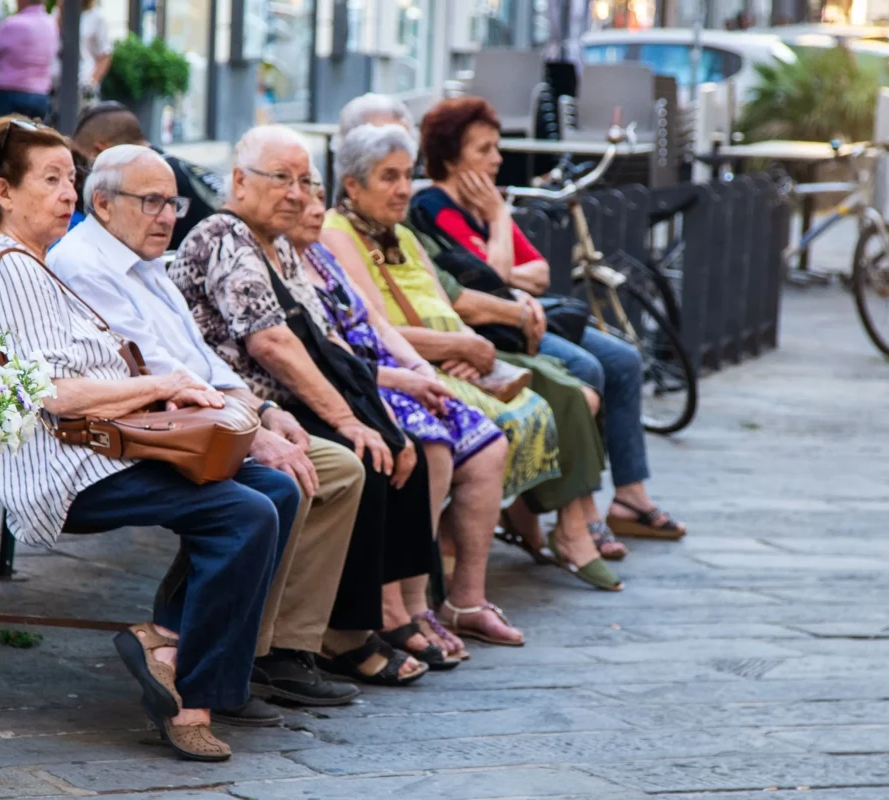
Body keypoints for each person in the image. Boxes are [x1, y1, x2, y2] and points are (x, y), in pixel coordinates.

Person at [0, 116, 300, 761]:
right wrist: (162, 384)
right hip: (68, 468)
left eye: (71, 178)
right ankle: (191, 700)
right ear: (5, 192)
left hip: (108, 446)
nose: (68, 195)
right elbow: (53, 395)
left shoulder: (34, 263)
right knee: (243, 513)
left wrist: (170, 389)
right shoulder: (12, 267)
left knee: (272, 490)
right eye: (51, 180)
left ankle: (167, 642)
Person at [48, 144, 367, 723]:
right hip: (130, 437)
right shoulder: (86, 265)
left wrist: (264, 414)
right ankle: (212, 664)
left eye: (173, 201)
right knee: (270, 492)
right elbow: (156, 375)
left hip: (192, 421)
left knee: (314, 475)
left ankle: (236, 651)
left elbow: (200, 362)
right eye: (152, 202)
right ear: (102, 201)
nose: (168, 215)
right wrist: (252, 431)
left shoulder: (143, 260)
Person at [169, 125, 436, 684]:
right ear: (240, 180)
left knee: (395, 446)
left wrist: (374, 416)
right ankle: (336, 634)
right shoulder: (223, 234)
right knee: (358, 457)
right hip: (238, 408)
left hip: (281, 405)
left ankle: (373, 617)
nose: (296, 193)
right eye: (282, 179)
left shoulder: (282, 245)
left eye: (305, 181)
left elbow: (323, 337)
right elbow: (271, 343)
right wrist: (346, 420)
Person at [321, 123, 622, 592]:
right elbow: (378, 330)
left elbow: (449, 300)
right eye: (389, 177)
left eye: (407, 174)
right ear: (352, 185)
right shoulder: (337, 232)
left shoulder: (400, 232)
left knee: (563, 393)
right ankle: (457, 571)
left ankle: (496, 564)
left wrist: (470, 349)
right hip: (410, 366)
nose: (403, 188)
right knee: (537, 407)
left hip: (456, 354)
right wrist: (459, 348)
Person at [412, 96, 686, 544]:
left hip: (525, 316)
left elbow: (538, 271)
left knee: (623, 360)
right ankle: (573, 511)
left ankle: (630, 496)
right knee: (585, 369)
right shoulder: (436, 209)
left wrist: (501, 260)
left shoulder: (481, 203)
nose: (497, 159)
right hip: (492, 329)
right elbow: (493, 278)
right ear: (449, 158)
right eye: (483, 150)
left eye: (496, 147)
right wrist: (500, 219)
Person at [289, 172, 521, 654]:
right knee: (427, 443)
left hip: (389, 369)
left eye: (316, 195)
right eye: (303, 199)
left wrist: (419, 369)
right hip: (361, 380)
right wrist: (401, 378)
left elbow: (375, 320)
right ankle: (404, 603)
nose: (314, 208)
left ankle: (465, 600)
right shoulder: (287, 260)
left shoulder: (320, 256)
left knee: (486, 443)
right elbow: (323, 357)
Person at [70, 101, 224, 247]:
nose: (168, 218)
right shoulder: (177, 168)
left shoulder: (150, 178)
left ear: (101, 152)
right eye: (152, 201)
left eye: (80, 159)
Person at [0, 0, 59, 121]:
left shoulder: (12, 24)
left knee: (4, 137)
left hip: (8, 93)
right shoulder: (51, 24)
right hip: (40, 94)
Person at [53, 0, 113, 106]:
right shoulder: (57, 12)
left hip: (83, 83)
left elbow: (105, 54)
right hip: (57, 83)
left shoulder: (97, 16)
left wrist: (92, 81)